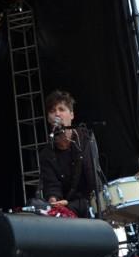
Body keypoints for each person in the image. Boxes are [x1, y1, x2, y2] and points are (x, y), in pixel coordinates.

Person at [39, 90, 96, 218]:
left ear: (72, 115)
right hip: (67, 208)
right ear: (48, 118)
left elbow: (93, 179)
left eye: (61, 109)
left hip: (91, 203)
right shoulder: (47, 153)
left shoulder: (86, 139)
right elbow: (52, 186)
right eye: (52, 111)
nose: (57, 114)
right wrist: (54, 201)